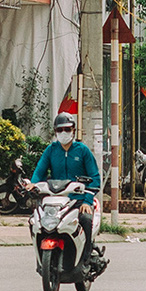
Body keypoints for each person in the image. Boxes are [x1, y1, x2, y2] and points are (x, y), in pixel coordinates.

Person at [28, 113, 106, 271]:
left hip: (78, 200)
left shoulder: (82, 151)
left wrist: (87, 201)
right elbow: (39, 172)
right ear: (55, 131)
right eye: (60, 129)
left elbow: (95, 177)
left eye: (67, 129)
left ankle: (85, 259)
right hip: (55, 199)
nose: (64, 132)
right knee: (33, 221)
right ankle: (40, 260)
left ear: (74, 130)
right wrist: (33, 185)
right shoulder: (51, 150)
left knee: (85, 219)